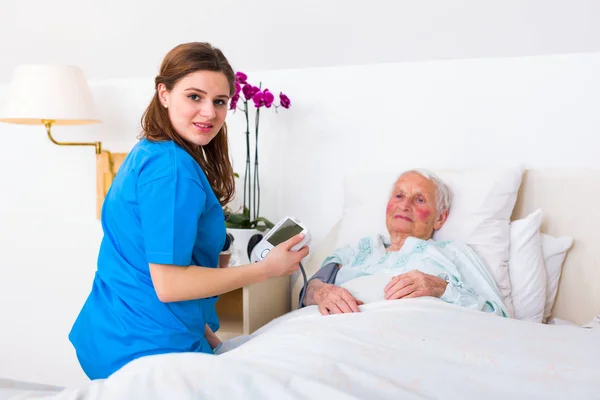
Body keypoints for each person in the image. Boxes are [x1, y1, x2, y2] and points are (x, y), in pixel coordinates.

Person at [69, 42, 308, 380]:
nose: (209, 112)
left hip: (114, 334)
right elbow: (169, 284)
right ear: (163, 93)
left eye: (220, 102)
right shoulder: (171, 169)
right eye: (194, 96)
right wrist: (267, 269)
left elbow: (142, 258)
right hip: (148, 350)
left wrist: (211, 341)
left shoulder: (148, 152)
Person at [300, 169, 507, 317]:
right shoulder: (352, 252)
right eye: (399, 196)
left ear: (440, 218)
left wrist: (442, 288)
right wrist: (322, 292)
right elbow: (308, 293)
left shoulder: (454, 253)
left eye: (419, 200)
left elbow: (497, 314)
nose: (404, 205)